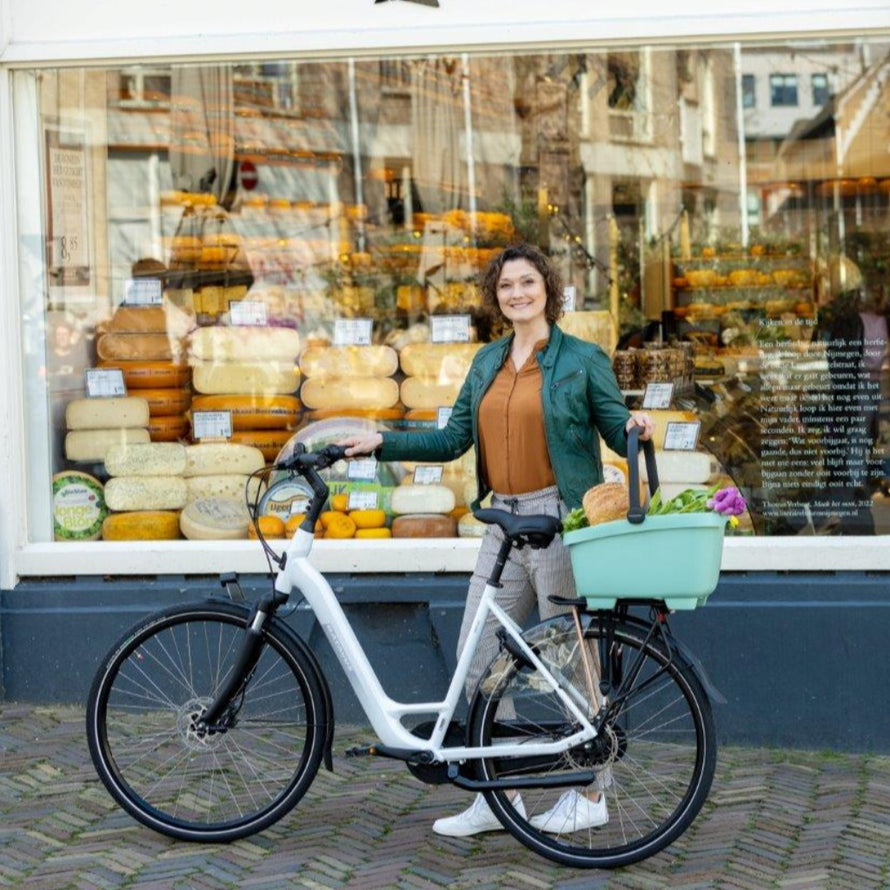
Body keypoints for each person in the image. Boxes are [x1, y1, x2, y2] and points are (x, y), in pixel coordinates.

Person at [341, 243, 654, 836]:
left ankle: (591, 791)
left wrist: (636, 426)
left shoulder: (583, 359)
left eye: (528, 282)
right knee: (477, 657)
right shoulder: (487, 361)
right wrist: (384, 442)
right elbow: (452, 439)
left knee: (568, 658)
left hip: (558, 517)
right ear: (496, 296)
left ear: (547, 289)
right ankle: (497, 792)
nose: (517, 293)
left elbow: (616, 428)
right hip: (502, 526)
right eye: (507, 285)